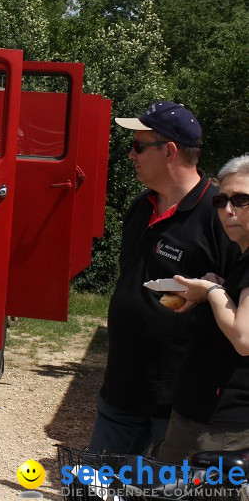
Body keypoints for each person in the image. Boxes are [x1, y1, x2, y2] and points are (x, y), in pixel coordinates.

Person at [90, 102, 240, 456]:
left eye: (139, 146)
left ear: (170, 151)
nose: (130, 154)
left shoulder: (218, 216)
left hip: (180, 403)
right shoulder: (142, 206)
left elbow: (238, 306)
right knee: (91, 490)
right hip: (122, 390)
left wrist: (212, 292)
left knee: (166, 492)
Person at [158, 155, 249, 462]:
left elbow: (243, 338)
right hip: (207, 412)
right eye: (221, 200)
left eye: (240, 200)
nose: (227, 210)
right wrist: (219, 288)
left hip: (218, 423)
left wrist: (211, 291)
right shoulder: (242, 256)